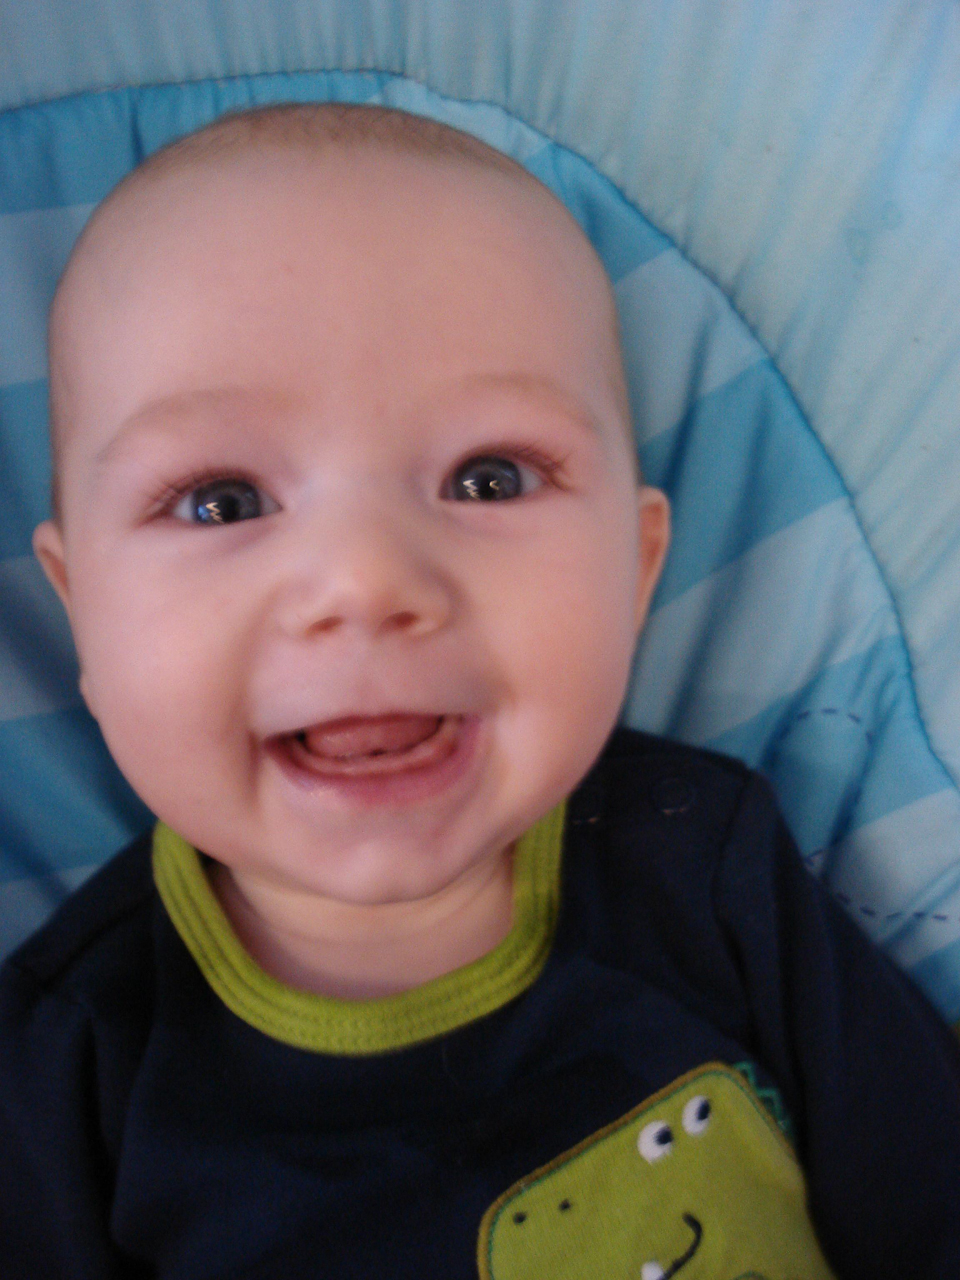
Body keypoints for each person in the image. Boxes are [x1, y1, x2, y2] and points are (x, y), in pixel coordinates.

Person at [1, 102, 958, 1280]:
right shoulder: (64, 1072)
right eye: (222, 502)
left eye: (488, 477)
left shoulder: (709, 867)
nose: (366, 580)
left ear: (637, 566)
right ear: (81, 611)